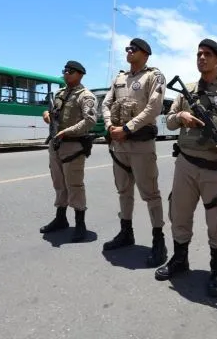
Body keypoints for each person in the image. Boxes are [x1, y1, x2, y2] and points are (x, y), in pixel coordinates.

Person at [154, 38, 217, 297]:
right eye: (198, 54)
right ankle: (179, 260)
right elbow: (170, 121)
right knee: (179, 214)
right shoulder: (185, 89)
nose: (201, 58)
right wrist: (180, 116)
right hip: (186, 164)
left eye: (207, 54)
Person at [101, 38, 168, 268]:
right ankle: (126, 232)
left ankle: (159, 241)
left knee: (150, 193)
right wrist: (111, 126)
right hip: (118, 144)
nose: (128, 51)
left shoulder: (154, 76)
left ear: (146, 54)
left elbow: (154, 108)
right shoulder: (119, 78)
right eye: (127, 49)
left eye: (133, 49)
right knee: (123, 191)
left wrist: (127, 128)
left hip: (140, 144)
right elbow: (106, 105)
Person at [39, 60, 97, 243]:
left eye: (70, 71)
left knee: (75, 185)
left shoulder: (86, 96)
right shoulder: (59, 93)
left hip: (73, 146)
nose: (66, 74)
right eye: (65, 71)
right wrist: (46, 115)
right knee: (59, 183)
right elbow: (53, 112)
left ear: (80, 74)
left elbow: (90, 120)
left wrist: (68, 131)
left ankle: (80, 224)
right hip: (56, 145)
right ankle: (61, 218)